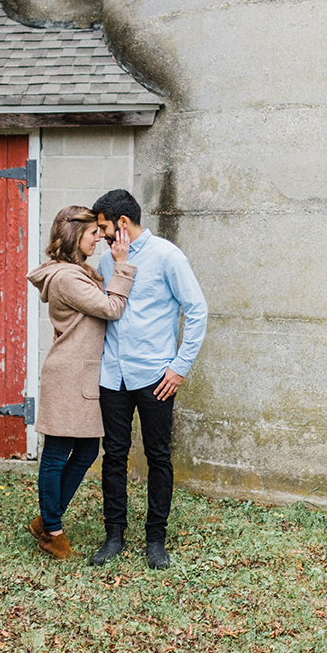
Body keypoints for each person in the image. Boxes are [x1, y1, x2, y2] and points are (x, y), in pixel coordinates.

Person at [89, 189, 207, 570]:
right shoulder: (108, 261)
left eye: (104, 226)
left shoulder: (168, 257)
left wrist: (178, 367)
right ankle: (114, 535)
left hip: (156, 375)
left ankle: (156, 539)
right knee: (114, 457)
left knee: (158, 457)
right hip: (113, 375)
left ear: (122, 223)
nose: (101, 233)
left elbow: (197, 310)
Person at [25, 206, 135, 559]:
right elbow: (112, 309)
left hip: (81, 372)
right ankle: (52, 531)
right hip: (70, 374)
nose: (99, 238)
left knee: (87, 449)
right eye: (93, 234)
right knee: (57, 453)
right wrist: (122, 265)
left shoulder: (74, 273)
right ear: (75, 236)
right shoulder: (68, 278)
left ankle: (46, 519)